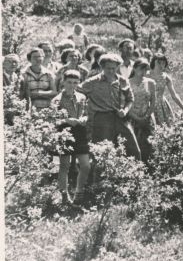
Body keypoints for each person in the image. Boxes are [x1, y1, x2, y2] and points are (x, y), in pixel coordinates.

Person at [79, 53, 141, 159]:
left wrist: (125, 111)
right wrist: (84, 110)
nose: (111, 71)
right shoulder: (93, 82)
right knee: (102, 150)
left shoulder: (122, 81)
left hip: (120, 118)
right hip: (102, 119)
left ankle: (133, 173)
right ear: (102, 67)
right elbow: (77, 92)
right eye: (108, 68)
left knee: (133, 149)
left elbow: (130, 99)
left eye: (113, 68)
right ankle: (98, 174)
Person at [51, 70, 91, 206]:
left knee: (85, 165)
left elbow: (86, 113)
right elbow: (53, 120)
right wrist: (67, 120)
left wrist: (84, 118)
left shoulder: (81, 97)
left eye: (75, 82)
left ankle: (79, 192)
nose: (72, 85)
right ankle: (64, 195)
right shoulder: (57, 99)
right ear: (63, 81)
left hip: (79, 131)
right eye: (69, 82)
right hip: (65, 131)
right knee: (64, 165)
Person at [128, 59, 156, 163]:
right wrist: (136, 117)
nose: (143, 72)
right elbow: (126, 103)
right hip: (132, 117)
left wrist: (146, 115)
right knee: (134, 143)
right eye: (141, 69)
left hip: (147, 117)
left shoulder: (150, 83)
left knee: (149, 142)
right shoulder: (127, 82)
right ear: (134, 68)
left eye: (146, 70)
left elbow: (153, 102)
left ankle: (149, 166)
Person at [149, 53, 183, 125]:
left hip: (161, 105)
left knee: (164, 127)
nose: (161, 65)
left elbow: (174, 95)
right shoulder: (146, 75)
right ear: (153, 63)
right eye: (158, 63)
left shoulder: (166, 77)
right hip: (148, 104)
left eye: (163, 63)